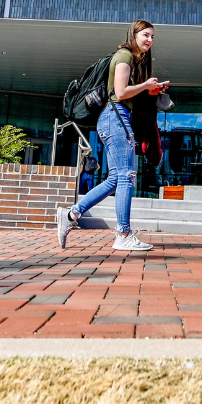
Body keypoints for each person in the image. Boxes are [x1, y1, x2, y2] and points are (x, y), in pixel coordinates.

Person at [56, 21, 167, 252]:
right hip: (115, 119)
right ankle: (123, 233)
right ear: (134, 34)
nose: (150, 40)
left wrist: (150, 90)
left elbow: (126, 94)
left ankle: (71, 213)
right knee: (126, 176)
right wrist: (145, 85)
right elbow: (120, 92)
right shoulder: (124, 56)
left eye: (152, 37)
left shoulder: (132, 59)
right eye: (146, 35)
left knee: (116, 178)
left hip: (114, 118)